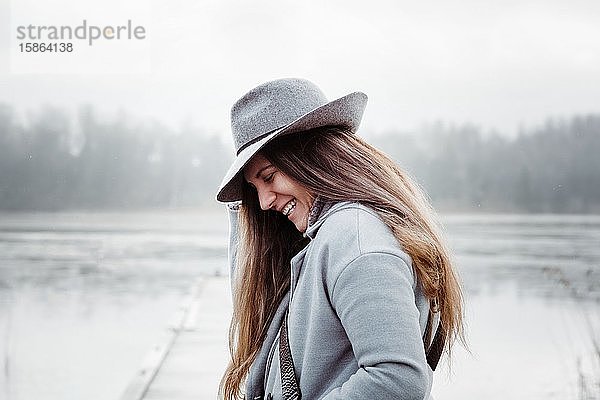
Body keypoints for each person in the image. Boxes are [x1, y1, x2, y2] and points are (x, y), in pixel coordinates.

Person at [216, 78, 465, 400]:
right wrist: (240, 216)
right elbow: (254, 303)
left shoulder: (356, 241)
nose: (264, 202)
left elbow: (397, 381)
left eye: (269, 177)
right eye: (254, 189)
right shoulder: (324, 237)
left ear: (313, 159)